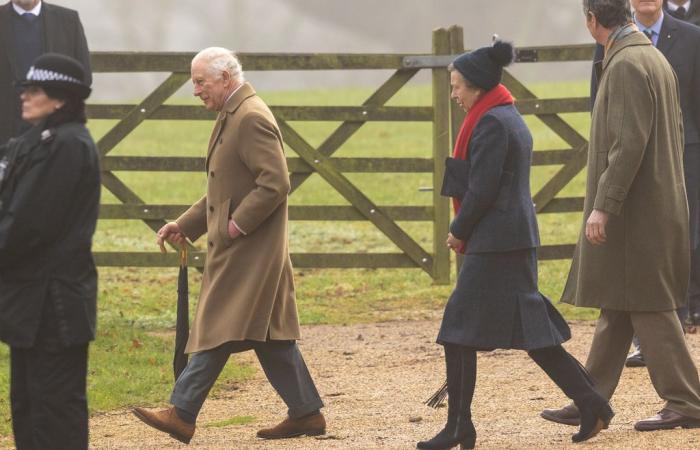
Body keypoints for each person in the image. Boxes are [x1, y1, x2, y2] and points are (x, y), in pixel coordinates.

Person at [416, 40, 613, 450]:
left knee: (458, 331)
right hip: (510, 240)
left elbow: (483, 190)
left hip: (496, 243)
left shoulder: (492, 123)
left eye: (456, 87)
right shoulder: (505, 116)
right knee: (532, 334)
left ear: (475, 86)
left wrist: (459, 229)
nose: (453, 94)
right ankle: (592, 402)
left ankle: (459, 428)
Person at [132, 47, 325, 445]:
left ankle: (181, 413)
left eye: (200, 81)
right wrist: (185, 225)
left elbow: (275, 182)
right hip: (244, 248)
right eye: (194, 81)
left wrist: (237, 226)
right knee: (268, 335)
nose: (195, 90)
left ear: (225, 77)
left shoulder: (250, 118)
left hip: (251, 250)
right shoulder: (231, 114)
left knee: (218, 325)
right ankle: (306, 413)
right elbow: (223, 190)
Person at [540, 0, 700, 432]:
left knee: (649, 303)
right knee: (620, 303)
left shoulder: (628, 63)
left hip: (637, 212)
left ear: (592, 20)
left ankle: (686, 401)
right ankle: (591, 399)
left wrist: (603, 207)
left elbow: (628, 145)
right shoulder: (651, 56)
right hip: (652, 205)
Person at [0, 53, 99, 450]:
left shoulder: (68, 146)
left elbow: (27, 225)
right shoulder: (38, 141)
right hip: (31, 305)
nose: (25, 95)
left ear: (60, 98)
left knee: (53, 412)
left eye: (35, 89)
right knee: (27, 405)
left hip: (54, 304)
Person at [0, 0, 91, 145]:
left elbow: (83, 76)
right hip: (4, 130)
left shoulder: (68, 20)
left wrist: (60, 113)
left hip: (55, 131)